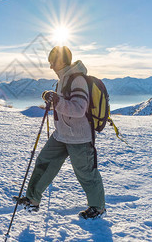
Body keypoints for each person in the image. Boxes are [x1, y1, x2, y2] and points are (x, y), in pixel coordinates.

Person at [17, 46, 106, 219]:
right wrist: (52, 97)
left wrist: (56, 100)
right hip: (62, 134)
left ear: (63, 61)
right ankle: (32, 199)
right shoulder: (63, 79)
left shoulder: (77, 80)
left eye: (52, 61)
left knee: (86, 172)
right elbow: (64, 104)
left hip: (79, 137)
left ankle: (98, 207)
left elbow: (79, 109)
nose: (50, 66)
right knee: (44, 161)